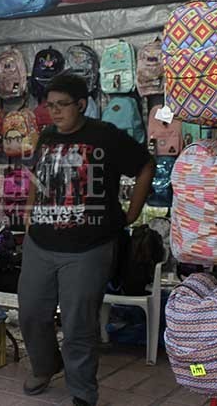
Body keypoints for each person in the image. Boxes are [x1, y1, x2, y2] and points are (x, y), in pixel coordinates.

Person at [19, 74, 155, 406]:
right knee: (31, 313)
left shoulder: (104, 136)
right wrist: (29, 209)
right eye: (49, 105)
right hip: (41, 241)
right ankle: (45, 366)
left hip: (88, 246)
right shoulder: (48, 135)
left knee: (79, 324)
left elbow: (145, 165)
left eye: (61, 105)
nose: (54, 112)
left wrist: (133, 212)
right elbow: (39, 172)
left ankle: (82, 391)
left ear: (81, 104)